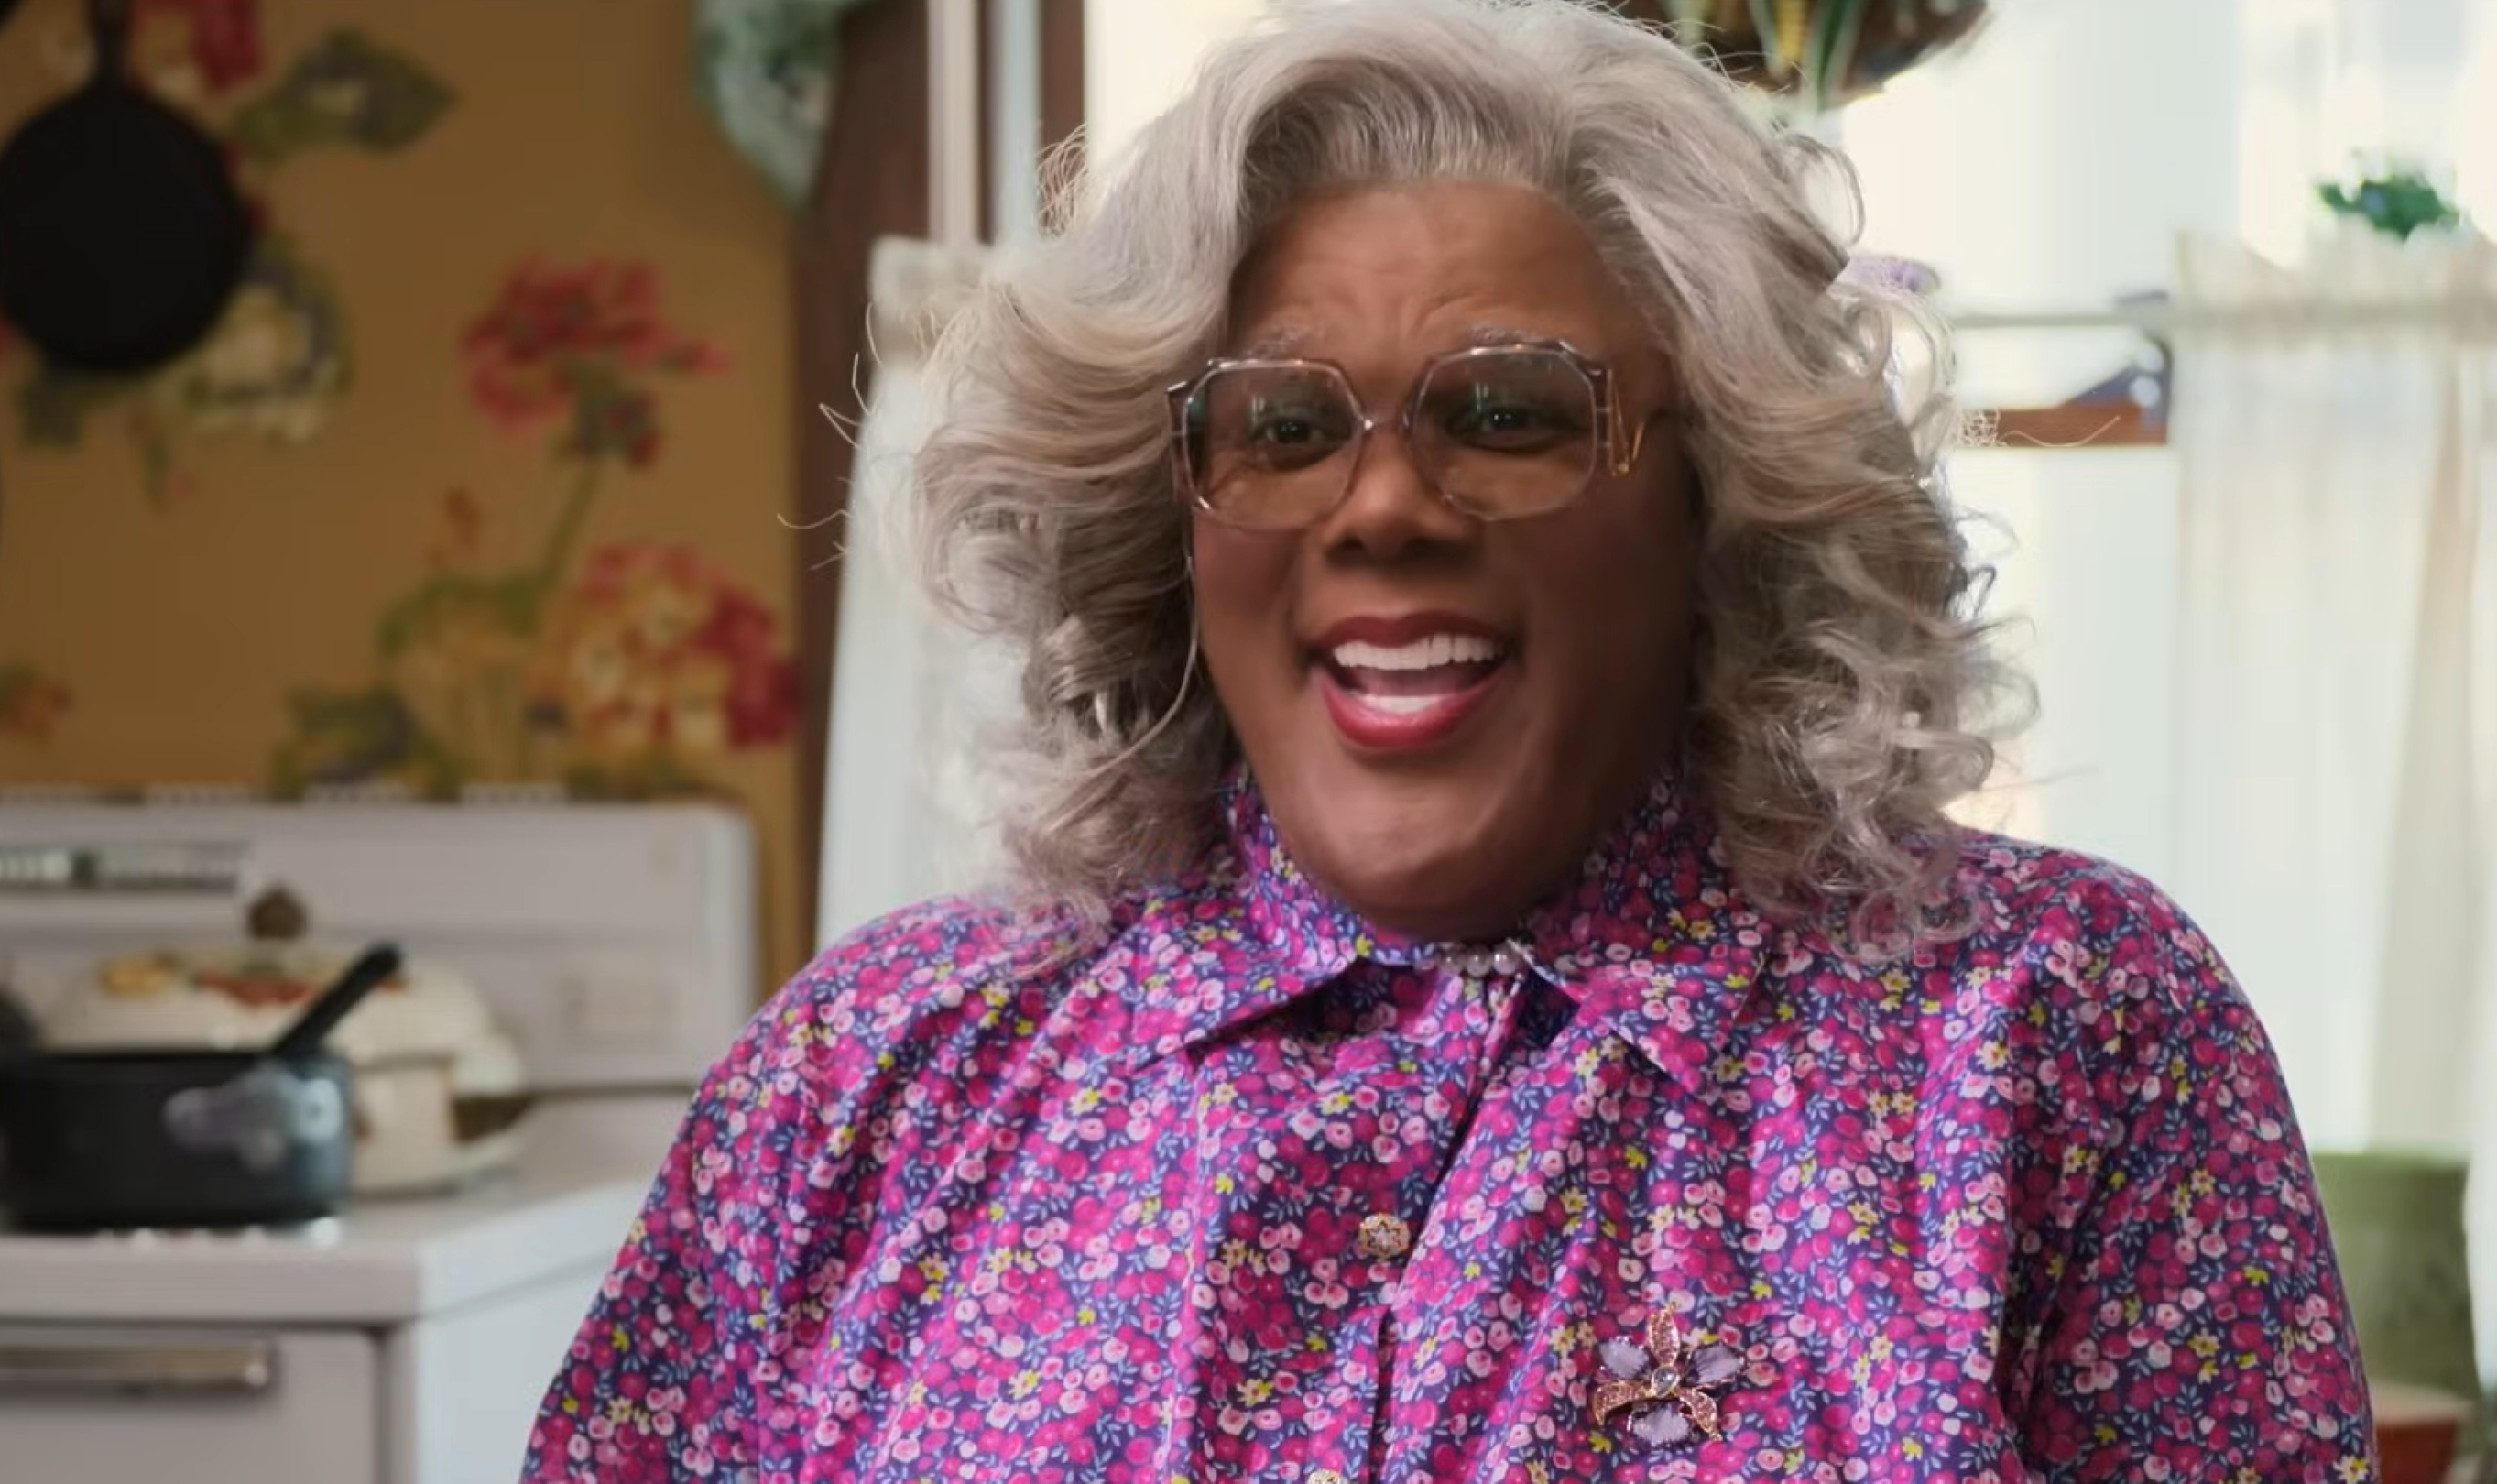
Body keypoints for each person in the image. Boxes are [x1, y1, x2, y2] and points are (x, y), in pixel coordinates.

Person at [520, 1, 2372, 1479]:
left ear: (1718, 503)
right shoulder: (870, 1081)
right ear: (1169, 527)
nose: (1386, 506)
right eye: (1278, 427)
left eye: (1508, 412)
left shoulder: (2060, 1037)